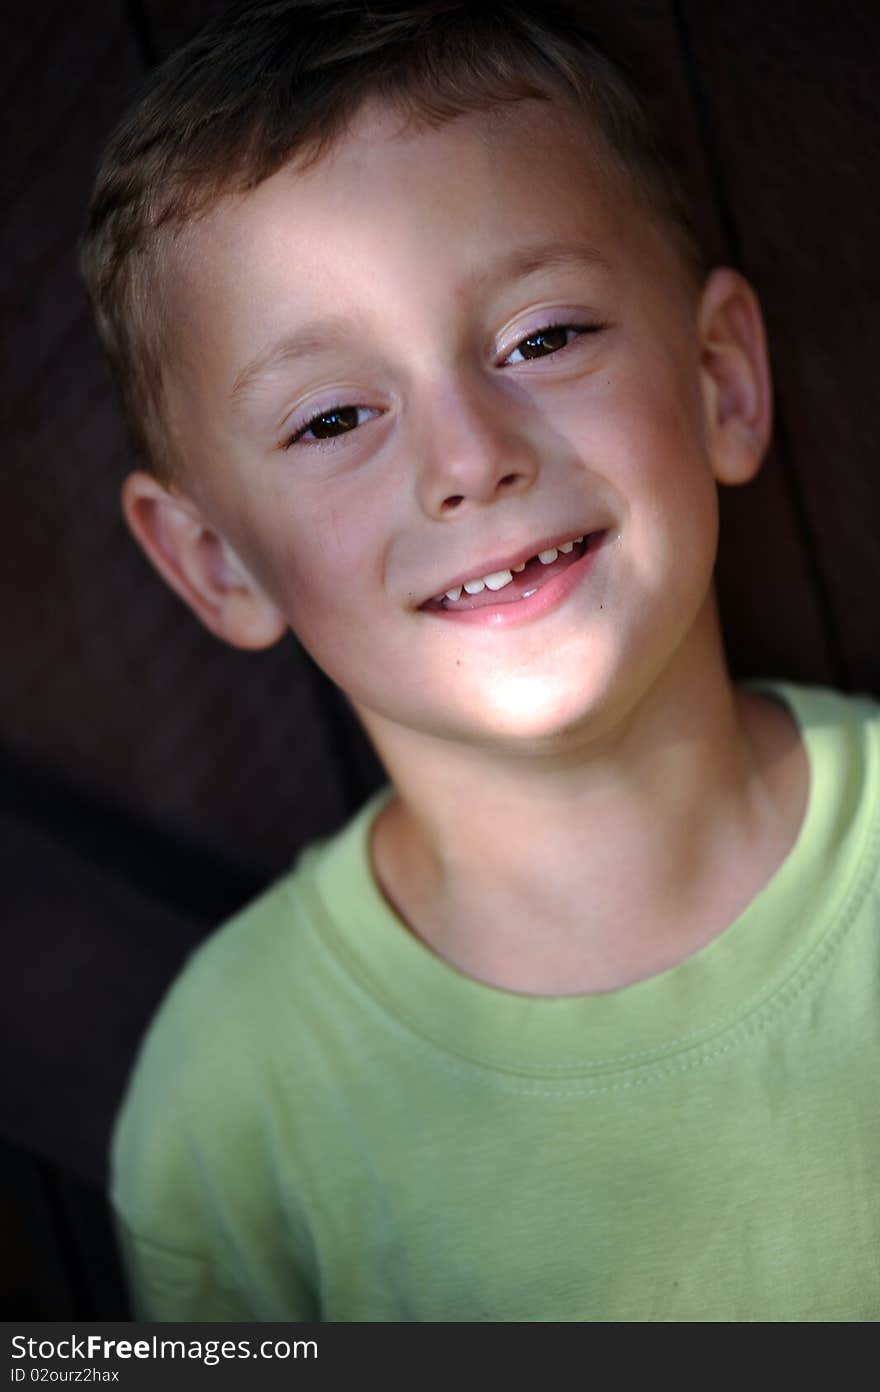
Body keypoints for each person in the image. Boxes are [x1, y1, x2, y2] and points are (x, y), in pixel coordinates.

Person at [79, 0, 880, 1321]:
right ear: (216, 559)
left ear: (721, 377)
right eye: (333, 416)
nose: (470, 461)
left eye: (543, 338)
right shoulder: (231, 1101)